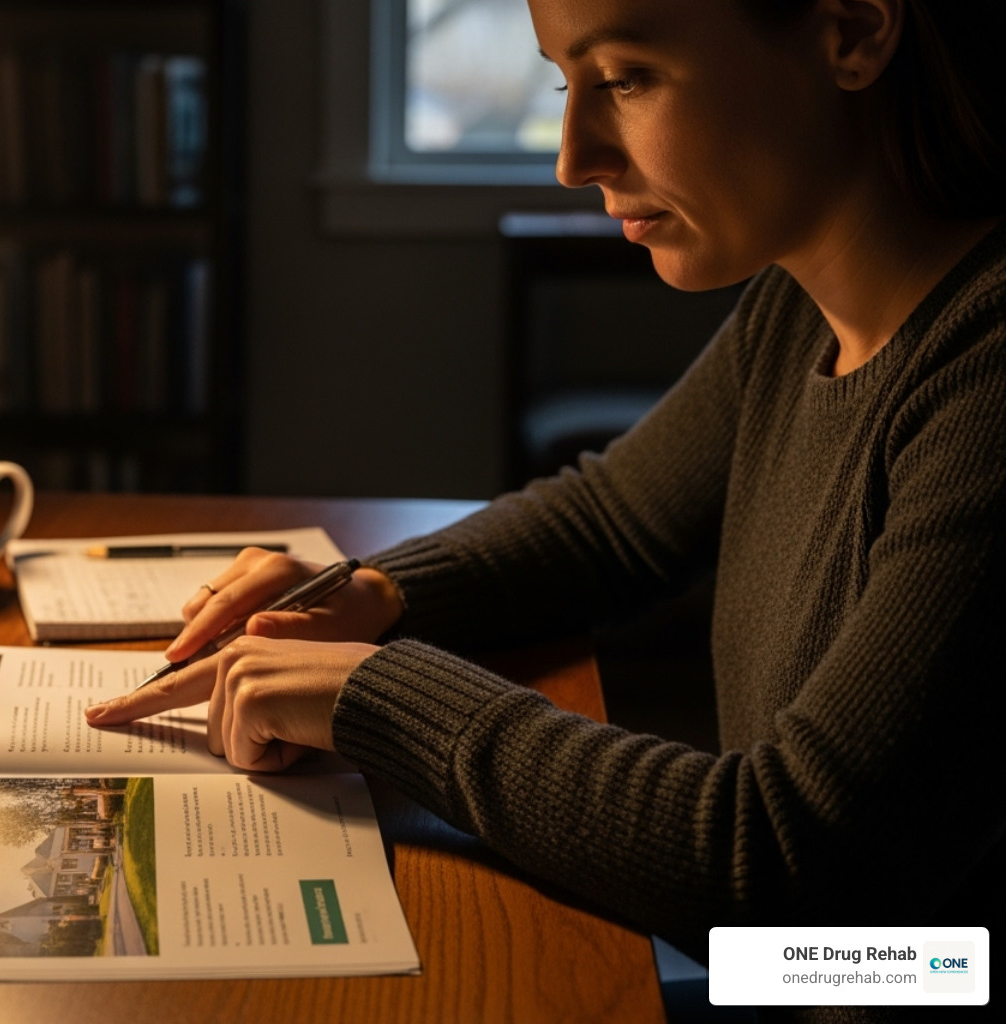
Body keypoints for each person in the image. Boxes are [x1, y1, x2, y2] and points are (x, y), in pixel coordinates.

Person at [88, 0, 1004, 1019]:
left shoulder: (986, 378)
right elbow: (608, 521)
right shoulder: (797, 308)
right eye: (563, 83)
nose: (573, 156)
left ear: (852, 32)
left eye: (625, 78)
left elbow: (785, 866)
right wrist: (374, 594)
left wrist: (376, 694)